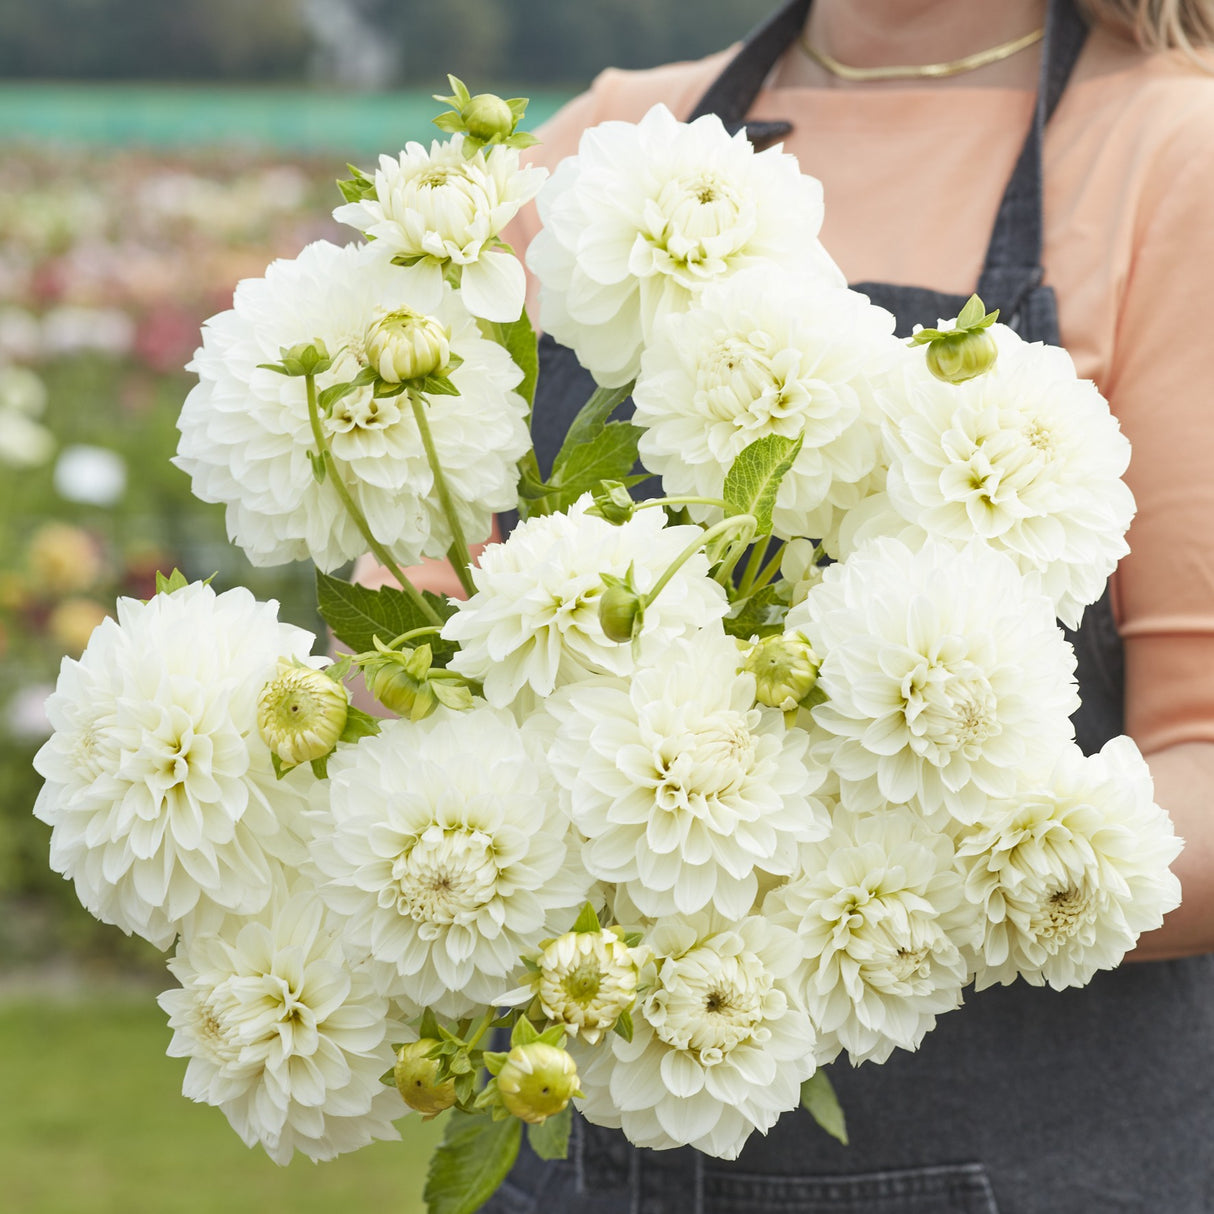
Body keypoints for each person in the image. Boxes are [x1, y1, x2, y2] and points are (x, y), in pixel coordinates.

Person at [450, 1, 1214, 1211]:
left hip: (1018, 1166)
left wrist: (850, 911)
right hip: (574, 1165)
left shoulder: (1174, 153)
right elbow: (420, 620)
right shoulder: (607, 138)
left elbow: (1203, 755)